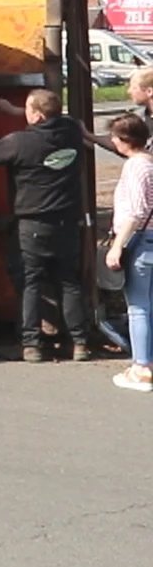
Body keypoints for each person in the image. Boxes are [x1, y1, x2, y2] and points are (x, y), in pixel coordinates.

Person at [0, 88, 93, 362]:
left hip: (32, 224)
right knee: (69, 282)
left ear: (37, 115)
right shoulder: (72, 132)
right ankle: (80, 343)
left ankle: (31, 344)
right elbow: (56, 117)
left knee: (30, 284)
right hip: (66, 222)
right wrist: (15, 109)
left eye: (27, 109)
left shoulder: (19, 143)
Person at [105, 113, 153, 391]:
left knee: (137, 307)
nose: (112, 141)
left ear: (125, 141)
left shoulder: (135, 166)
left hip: (139, 240)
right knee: (149, 303)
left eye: (114, 137)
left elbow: (135, 210)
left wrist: (117, 245)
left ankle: (141, 366)